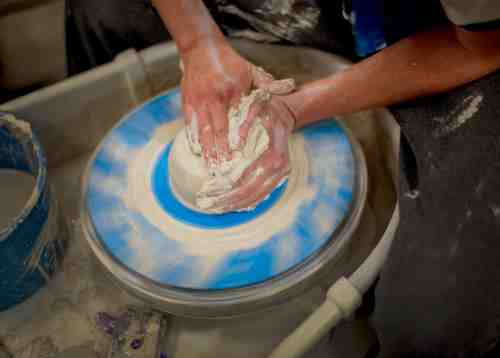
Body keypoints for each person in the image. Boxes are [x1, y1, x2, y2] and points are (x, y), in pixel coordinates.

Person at [66, 1, 500, 356]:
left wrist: (298, 106)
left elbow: (481, 46)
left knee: (433, 323)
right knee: (103, 11)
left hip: (455, 39)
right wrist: (197, 41)